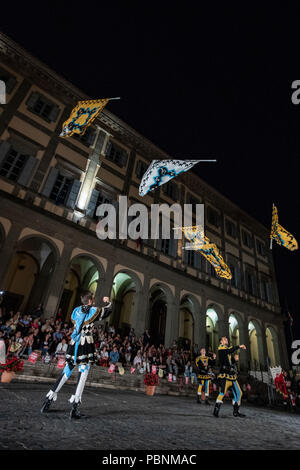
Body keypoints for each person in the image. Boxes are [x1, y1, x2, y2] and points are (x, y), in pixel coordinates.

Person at [41, 292, 112, 419]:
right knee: (83, 373)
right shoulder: (93, 310)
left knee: (66, 372)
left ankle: (48, 401)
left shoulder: (76, 310)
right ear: (90, 301)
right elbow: (107, 311)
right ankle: (74, 407)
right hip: (85, 344)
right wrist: (108, 301)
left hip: (74, 344)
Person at [213, 336, 246, 418]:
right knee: (222, 393)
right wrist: (239, 346)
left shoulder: (228, 352)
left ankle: (236, 411)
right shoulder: (221, 348)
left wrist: (235, 360)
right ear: (221, 342)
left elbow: (230, 363)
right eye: (224, 339)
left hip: (231, 375)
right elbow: (229, 350)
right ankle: (216, 410)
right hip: (224, 375)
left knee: (239, 393)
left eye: (226, 339)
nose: (226, 340)